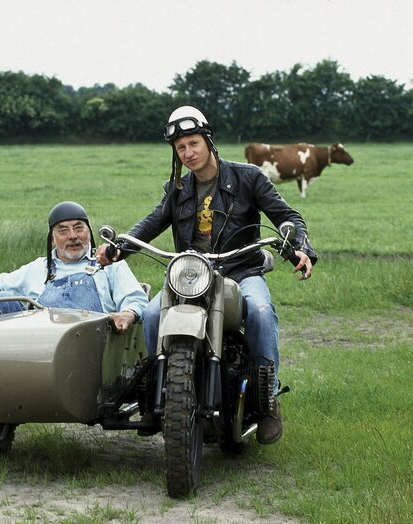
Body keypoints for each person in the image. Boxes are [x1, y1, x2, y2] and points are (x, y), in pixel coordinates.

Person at [96, 106, 316, 445]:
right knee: (153, 315)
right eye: (181, 148)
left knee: (259, 312)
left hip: (241, 270)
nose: (188, 153)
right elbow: (151, 223)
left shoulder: (248, 177)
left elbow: (288, 216)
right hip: (189, 275)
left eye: (193, 144)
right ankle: (158, 393)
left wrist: (299, 245)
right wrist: (119, 247)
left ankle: (268, 399)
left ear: (208, 141)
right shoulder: (178, 189)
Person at [0, 201, 149, 432]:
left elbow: (136, 298)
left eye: (79, 228)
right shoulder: (38, 269)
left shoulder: (110, 266)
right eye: (63, 230)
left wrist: (127, 314)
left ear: (89, 232)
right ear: (52, 238)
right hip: (36, 357)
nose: (73, 236)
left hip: (91, 363)